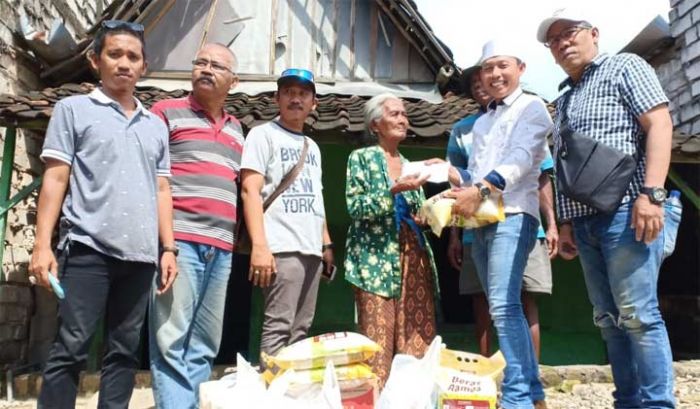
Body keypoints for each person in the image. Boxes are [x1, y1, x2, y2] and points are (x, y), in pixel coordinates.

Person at [29, 20, 177, 409]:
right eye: (115, 54)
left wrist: (169, 249)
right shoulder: (73, 110)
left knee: (124, 353)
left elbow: (162, 189)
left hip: (141, 256)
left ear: (144, 66)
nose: (124, 63)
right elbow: (56, 179)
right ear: (96, 60)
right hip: (87, 248)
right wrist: (41, 246)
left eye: (133, 56)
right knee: (72, 348)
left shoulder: (155, 127)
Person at [537, 9, 680, 408]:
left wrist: (652, 193)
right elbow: (568, 166)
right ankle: (628, 402)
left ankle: (657, 404)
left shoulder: (624, 66)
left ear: (594, 34)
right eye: (554, 40)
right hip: (584, 225)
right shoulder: (564, 100)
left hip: (627, 212)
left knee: (638, 315)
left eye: (570, 33)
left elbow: (660, 124)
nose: (563, 43)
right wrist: (565, 225)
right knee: (609, 320)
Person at [445, 40, 552, 409]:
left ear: (520, 68)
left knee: (505, 307)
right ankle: (533, 394)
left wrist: (483, 187)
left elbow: (522, 159)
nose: (494, 75)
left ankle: (517, 398)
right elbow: (471, 172)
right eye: (487, 68)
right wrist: (436, 171)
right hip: (480, 219)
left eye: (501, 65)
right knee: (502, 307)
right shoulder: (484, 120)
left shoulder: (532, 108)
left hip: (515, 215)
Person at [148, 43, 243, 408]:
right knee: (170, 339)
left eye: (216, 65)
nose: (206, 69)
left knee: (204, 343)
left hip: (221, 247)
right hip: (180, 243)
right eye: (200, 62)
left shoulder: (237, 131)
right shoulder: (165, 113)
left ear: (232, 82)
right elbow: (155, 181)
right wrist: (167, 246)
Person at [344, 93, 441, 388]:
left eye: (404, 114)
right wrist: (394, 190)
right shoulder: (361, 158)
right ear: (376, 124)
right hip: (375, 263)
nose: (403, 119)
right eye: (395, 114)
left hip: (413, 258)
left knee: (417, 339)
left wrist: (431, 213)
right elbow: (356, 207)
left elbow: (419, 213)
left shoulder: (412, 165)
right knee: (377, 340)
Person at [240, 68, 333, 363]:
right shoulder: (262, 135)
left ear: (313, 103)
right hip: (280, 246)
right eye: (289, 93)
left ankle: (290, 393)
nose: (296, 99)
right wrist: (260, 246)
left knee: (301, 331)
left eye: (303, 94)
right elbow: (249, 191)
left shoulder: (313, 147)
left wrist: (326, 244)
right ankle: (269, 393)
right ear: (277, 98)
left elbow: (316, 198)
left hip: (311, 250)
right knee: (278, 327)